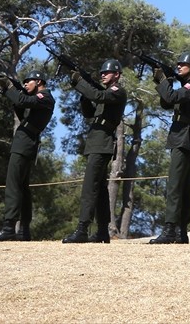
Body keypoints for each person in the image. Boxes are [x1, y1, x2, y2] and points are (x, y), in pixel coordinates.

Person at [62, 59, 127, 244]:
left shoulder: (117, 91)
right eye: (101, 73)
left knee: (89, 187)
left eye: (107, 72)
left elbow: (98, 96)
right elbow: (89, 113)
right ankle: (102, 232)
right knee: (99, 190)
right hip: (96, 141)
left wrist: (79, 82)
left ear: (117, 75)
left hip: (103, 142)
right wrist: (83, 92)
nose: (103, 75)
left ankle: (82, 229)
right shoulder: (105, 94)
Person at [0, 70, 55, 242]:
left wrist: (8, 86)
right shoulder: (38, 100)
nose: (25, 84)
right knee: (22, 187)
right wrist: (11, 90)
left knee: (13, 184)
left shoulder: (45, 97)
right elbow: (22, 110)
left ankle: (9, 227)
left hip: (24, 143)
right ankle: (24, 229)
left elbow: (22, 101)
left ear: (39, 81)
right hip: (26, 141)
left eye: (28, 81)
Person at [149, 52, 190, 245]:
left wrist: (164, 80)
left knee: (174, 185)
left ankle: (171, 229)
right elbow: (166, 102)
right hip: (179, 135)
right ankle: (180, 231)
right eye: (178, 64)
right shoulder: (185, 86)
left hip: (184, 136)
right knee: (181, 185)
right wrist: (165, 80)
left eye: (183, 64)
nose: (179, 66)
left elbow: (171, 97)